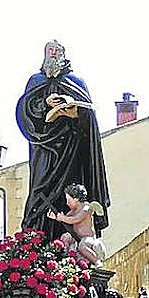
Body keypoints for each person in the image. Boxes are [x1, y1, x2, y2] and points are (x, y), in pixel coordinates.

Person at [15, 39, 110, 238]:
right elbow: (25, 111)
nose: (54, 54)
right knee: (38, 193)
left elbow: (88, 118)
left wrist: (72, 112)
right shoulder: (36, 80)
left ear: (63, 54)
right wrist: (45, 103)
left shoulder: (76, 82)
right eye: (50, 50)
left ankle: (70, 244)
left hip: (71, 150)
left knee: (70, 193)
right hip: (44, 149)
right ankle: (35, 242)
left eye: (57, 51)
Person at [47, 183, 106, 265]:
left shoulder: (86, 208)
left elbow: (75, 219)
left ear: (76, 199)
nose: (67, 203)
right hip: (76, 237)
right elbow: (65, 219)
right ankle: (64, 257)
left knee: (82, 247)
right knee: (65, 237)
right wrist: (56, 217)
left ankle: (96, 261)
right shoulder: (73, 211)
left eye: (68, 200)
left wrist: (62, 218)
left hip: (87, 237)